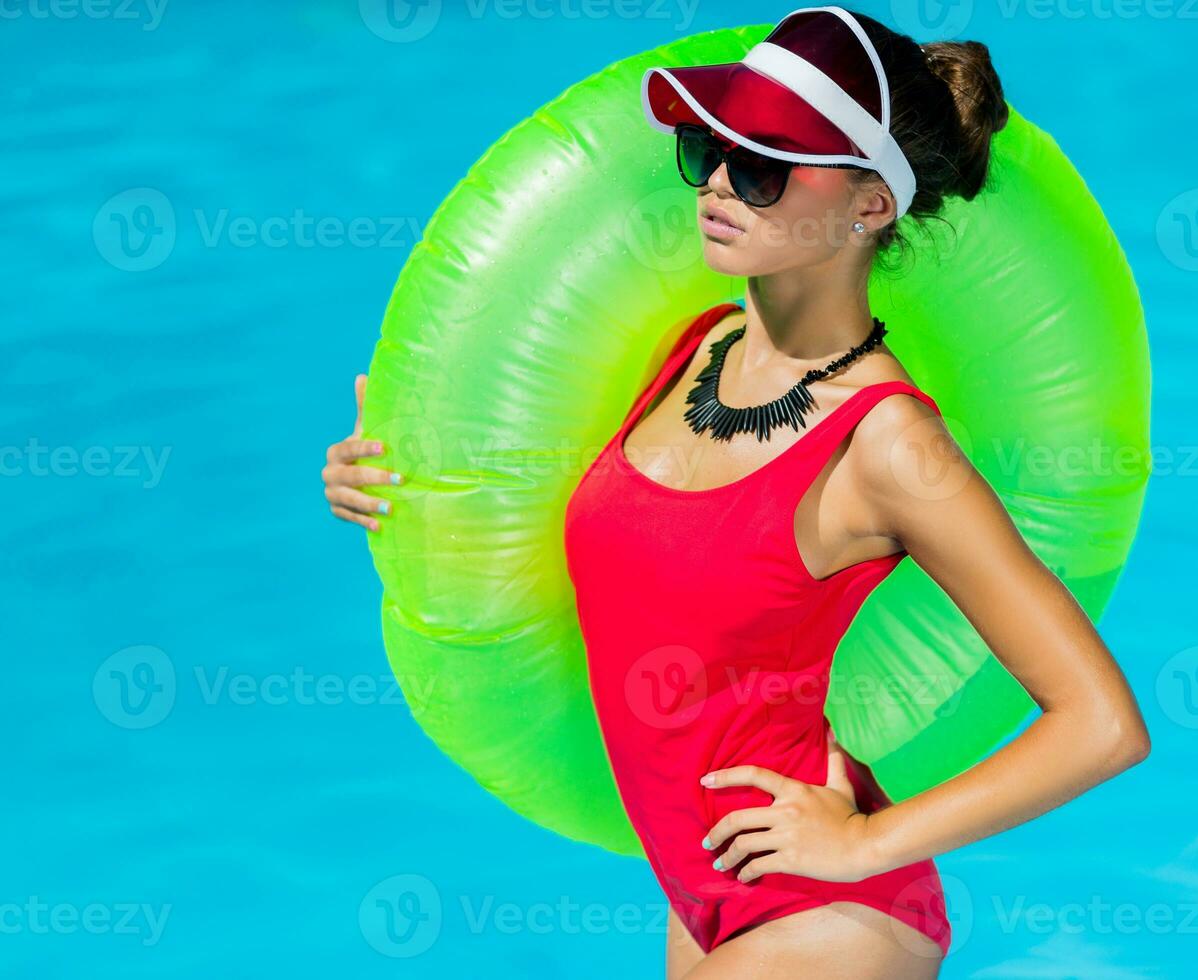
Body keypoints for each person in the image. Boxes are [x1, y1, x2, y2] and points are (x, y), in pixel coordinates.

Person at [323, 7, 1150, 978]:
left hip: (830, 913)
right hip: (702, 888)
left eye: (762, 167)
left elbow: (1100, 722)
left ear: (870, 206)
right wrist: (406, 475)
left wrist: (859, 846)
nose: (718, 184)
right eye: (708, 150)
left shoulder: (888, 445)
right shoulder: (688, 350)